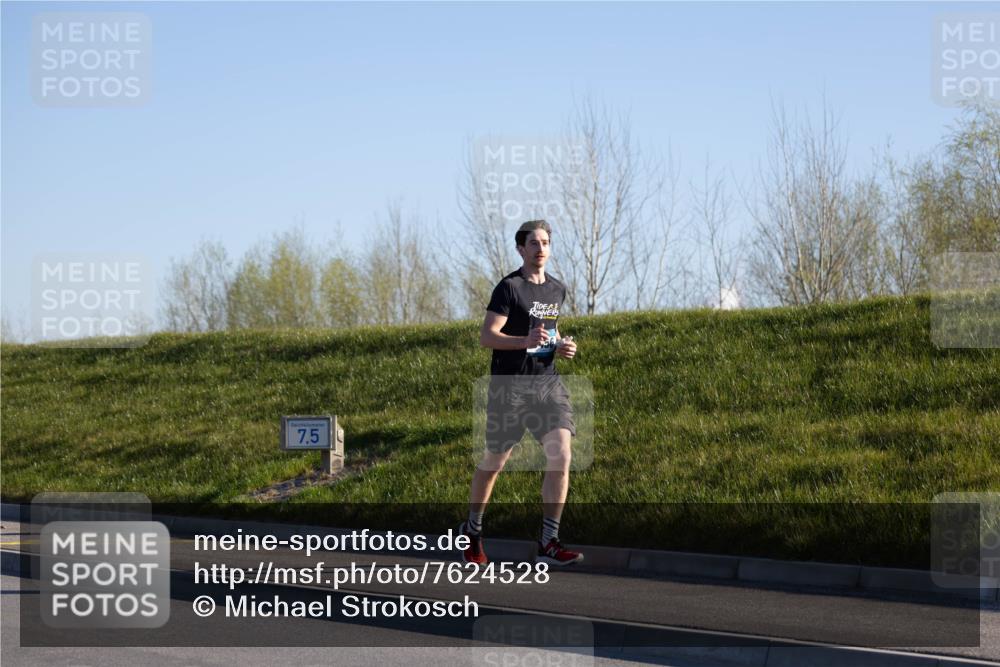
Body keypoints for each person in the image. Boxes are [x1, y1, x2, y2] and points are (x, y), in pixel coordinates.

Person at [459, 219, 583, 567]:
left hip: (547, 385)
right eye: (533, 243)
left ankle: (549, 541)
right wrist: (522, 342)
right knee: (495, 463)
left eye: (545, 242)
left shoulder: (557, 289)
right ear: (520, 249)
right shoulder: (508, 288)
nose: (540, 248)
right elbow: (488, 336)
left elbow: (546, 334)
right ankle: (472, 530)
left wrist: (561, 345)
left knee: (562, 455)